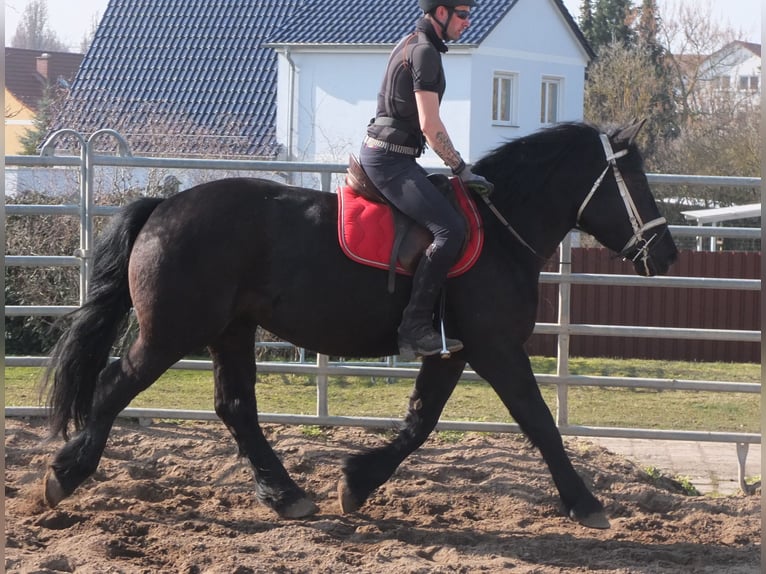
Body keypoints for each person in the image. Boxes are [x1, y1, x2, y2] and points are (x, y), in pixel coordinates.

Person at [359, 0, 493, 358]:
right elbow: (430, 126)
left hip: (394, 157)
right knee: (450, 229)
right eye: (463, 14)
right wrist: (460, 168)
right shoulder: (425, 54)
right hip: (390, 162)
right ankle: (414, 328)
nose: (468, 22)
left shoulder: (411, 44)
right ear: (441, 13)